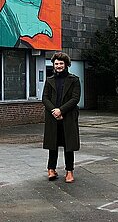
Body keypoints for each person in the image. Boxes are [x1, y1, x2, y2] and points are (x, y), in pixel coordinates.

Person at [42, 52, 81, 183]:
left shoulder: (74, 80)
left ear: (66, 65)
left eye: (61, 63)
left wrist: (61, 110)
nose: (58, 66)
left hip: (68, 116)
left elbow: (75, 98)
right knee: (52, 145)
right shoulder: (49, 80)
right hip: (53, 117)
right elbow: (45, 98)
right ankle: (51, 169)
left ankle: (69, 172)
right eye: (56, 63)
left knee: (68, 145)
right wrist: (54, 110)